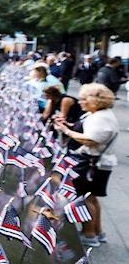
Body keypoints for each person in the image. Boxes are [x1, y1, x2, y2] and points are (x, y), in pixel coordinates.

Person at [53, 84, 118, 247]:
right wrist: (67, 125)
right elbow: (86, 132)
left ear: (95, 100)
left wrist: (66, 131)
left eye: (83, 99)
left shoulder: (100, 118)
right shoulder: (98, 114)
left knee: (84, 198)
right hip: (95, 163)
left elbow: (90, 140)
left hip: (90, 163)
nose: (80, 102)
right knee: (91, 197)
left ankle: (89, 234)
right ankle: (97, 232)